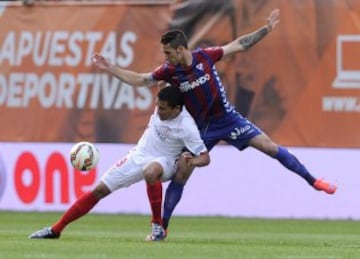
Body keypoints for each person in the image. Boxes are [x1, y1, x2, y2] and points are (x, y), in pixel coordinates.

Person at [91, 8, 337, 241]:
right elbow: (141, 79)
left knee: (270, 148)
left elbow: (239, 44)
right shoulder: (169, 70)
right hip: (199, 128)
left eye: (167, 52)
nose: (165, 58)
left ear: (179, 50)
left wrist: (265, 30)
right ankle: (161, 229)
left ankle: (314, 181)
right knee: (182, 174)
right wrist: (110, 68)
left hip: (228, 119)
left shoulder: (205, 57)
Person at [28, 86, 210, 240]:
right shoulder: (164, 105)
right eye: (157, 106)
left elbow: (205, 157)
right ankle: (55, 230)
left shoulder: (187, 127)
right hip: (138, 155)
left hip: (166, 161)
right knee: (99, 190)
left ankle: (157, 226)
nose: (158, 110)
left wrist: (193, 161)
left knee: (150, 172)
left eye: (163, 109)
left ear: (176, 109)